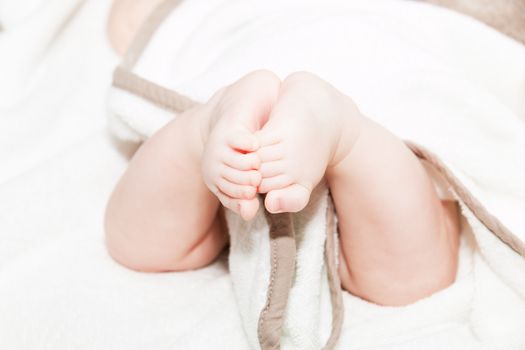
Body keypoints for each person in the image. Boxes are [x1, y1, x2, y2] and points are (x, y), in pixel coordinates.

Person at [104, 1, 460, 306]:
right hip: (366, 49)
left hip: (291, 46)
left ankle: (206, 127)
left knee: (139, 244)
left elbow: (128, 21)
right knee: (413, 279)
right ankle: (345, 135)